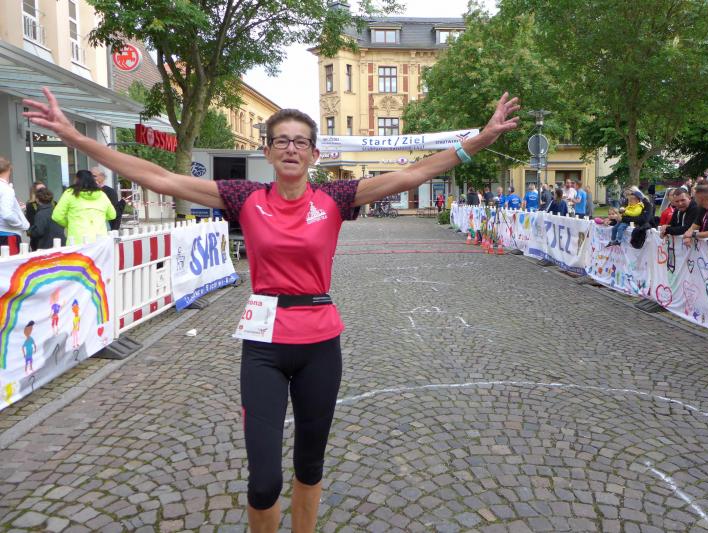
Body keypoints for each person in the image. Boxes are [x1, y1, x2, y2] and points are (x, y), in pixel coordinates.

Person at [23, 87, 520, 532]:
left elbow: (417, 171)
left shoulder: (336, 197)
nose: (290, 148)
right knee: (263, 482)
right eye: (281, 141)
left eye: (300, 141)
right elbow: (158, 177)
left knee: (309, 465)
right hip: (264, 347)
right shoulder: (245, 197)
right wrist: (76, 137)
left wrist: (480, 139)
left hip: (320, 345)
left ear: (314, 153)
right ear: (266, 150)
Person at [52, 169, 118, 243]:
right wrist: (99, 217)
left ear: (76, 180)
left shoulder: (70, 193)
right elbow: (112, 215)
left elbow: (57, 216)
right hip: (99, 240)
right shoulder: (102, 194)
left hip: (77, 240)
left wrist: (70, 223)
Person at [0, 157, 30, 255]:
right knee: (10, 264)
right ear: (9, 169)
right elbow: (7, 214)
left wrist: (16, 209)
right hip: (7, 236)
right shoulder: (6, 189)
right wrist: (21, 224)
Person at [25, 180, 46, 250]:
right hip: (38, 240)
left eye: (44, 189)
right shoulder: (31, 205)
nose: (44, 191)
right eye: (40, 190)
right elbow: (32, 224)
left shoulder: (53, 203)